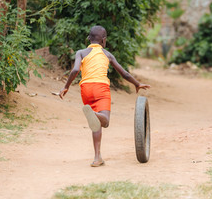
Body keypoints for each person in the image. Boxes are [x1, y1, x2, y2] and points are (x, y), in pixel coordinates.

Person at [59, 25, 150, 167]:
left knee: (96, 124)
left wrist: (66, 87)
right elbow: (124, 73)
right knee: (105, 121)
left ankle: (97, 158)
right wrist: (137, 84)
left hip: (86, 89)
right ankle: (94, 114)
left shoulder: (81, 52)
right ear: (104, 40)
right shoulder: (107, 54)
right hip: (101, 88)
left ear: (88, 38)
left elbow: (76, 69)